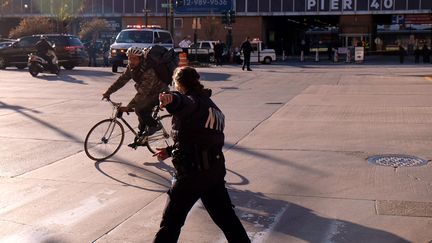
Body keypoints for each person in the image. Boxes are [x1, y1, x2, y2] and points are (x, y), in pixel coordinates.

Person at [154, 66, 250, 243]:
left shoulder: (192, 101)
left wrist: (170, 99)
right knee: (228, 221)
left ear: (178, 84)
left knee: (170, 224)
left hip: (191, 175)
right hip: (213, 173)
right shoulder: (213, 108)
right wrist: (169, 151)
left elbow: (182, 103)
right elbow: (200, 137)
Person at [102, 46, 169, 137]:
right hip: (149, 92)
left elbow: (143, 92)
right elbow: (121, 80)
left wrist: (129, 106)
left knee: (140, 109)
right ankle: (142, 134)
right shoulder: (131, 67)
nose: (131, 61)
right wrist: (108, 92)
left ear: (140, 59)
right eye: (129, 58)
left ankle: (155, 126)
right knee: (141, 111)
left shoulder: (148, 70)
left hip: (159, 92)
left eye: (134, 58)